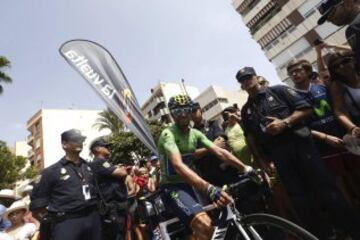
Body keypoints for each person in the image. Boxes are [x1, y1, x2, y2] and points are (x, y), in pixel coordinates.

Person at [237, 66, 360, 239]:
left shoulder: (279, 91)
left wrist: (285, 123)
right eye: (243, 81)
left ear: (257, 77)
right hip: (279, 155)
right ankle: (323, 235)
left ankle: (353, 229)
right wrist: (262, 161)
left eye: (249, 77)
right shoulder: (246, 110)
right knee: (300, 199)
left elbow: (306, 109)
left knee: (326, 189)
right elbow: (251, 138)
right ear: (241, 86)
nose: (247, 82)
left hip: (301, 146)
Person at [158, 94, 254, 240]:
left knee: (203, 231)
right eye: (178, 111)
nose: (183, 114)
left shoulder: (195, 134)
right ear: (172, 114)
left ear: (191, 111)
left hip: (191, 184)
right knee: (205, 226)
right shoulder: (168, 134)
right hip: (173, 187)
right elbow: (177, 165)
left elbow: (221, 152)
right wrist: (209, 188)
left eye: (186, 110)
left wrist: (245, 168)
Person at [30, 129, 100, 240]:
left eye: (81, 140)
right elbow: (37, 205)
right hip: (67, 222)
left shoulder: (89, 167)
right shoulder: (51, 172)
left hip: (92, 219)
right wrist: (50, 222)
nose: (79, 142)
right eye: (75, 140)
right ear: (64, 144)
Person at [191, 102, 239, 187]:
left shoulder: (213, 124)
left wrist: (204, 151)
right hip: (209, 175)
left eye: (194, 111)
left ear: (201, 111)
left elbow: (221, 142)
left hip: (226, 168)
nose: (193, 114)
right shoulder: (190, 134)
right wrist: (213, 146)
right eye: (190, 112)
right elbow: (194, 154)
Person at [89, 138, 128, 240]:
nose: (108, 148)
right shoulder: (99, 162)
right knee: (115, 235)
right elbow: (122, 173)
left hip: (116, 206)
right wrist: (121, 170)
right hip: (110, 207)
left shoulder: (105, 162)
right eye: (105, 146)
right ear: (97, 149)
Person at [318, 0, 360, 69]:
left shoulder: (353, 28)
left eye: (331, 13)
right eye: (327, 18)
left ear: (348, 3)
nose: (329, 20)